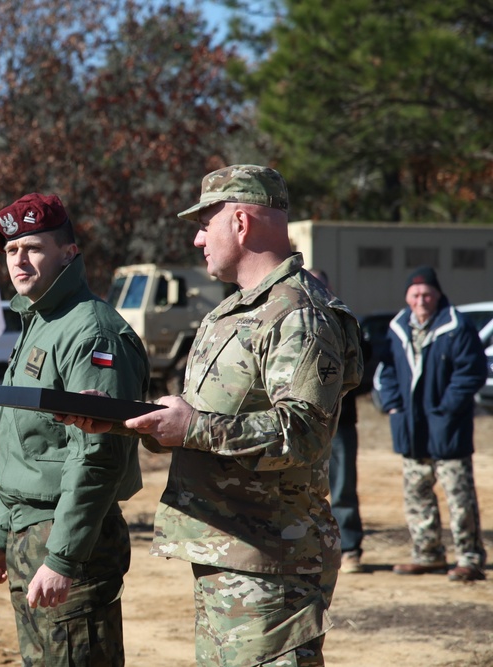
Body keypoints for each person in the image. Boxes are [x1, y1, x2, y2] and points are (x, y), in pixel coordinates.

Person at [60, 165, 363, 666]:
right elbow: (199, 425)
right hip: (227, 552)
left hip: (272, 565)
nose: (198, 238)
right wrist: (119, 420)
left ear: (241, 223)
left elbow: (303, 435)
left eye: (206, 222)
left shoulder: (299, 313)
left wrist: (192, 427)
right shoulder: (230, 313)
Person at [0, 193, 150, 665]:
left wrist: (64, 557)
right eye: (10, 251)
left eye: (33, 247)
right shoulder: (39, 323)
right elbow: (31, 449)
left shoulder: (90, 331)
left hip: (71, 539)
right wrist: (3, 538)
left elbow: (96, 455)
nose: (19, 260)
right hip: (32, 536)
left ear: (68, 253)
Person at [376, 266, 487, 582]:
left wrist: (447, 409)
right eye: (415, 294)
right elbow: (385, 371)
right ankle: (428, 554)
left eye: (427, 294)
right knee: (417, 493)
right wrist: (393, 406)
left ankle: (470, 558)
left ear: (438, 294)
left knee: (459, 496)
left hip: (448, 428)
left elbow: (471, 372)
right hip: (410, 429)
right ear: (407, 297)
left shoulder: (457, 326)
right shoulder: (397, 327)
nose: (421, 300)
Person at [309, 268, 368, 575]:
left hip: (341, 423)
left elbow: (363, 372)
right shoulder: (297, 324)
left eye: (319, 283)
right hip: (304, 426)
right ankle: (311, 548)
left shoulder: (345, 322)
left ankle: (351, 548)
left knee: (343, 487)